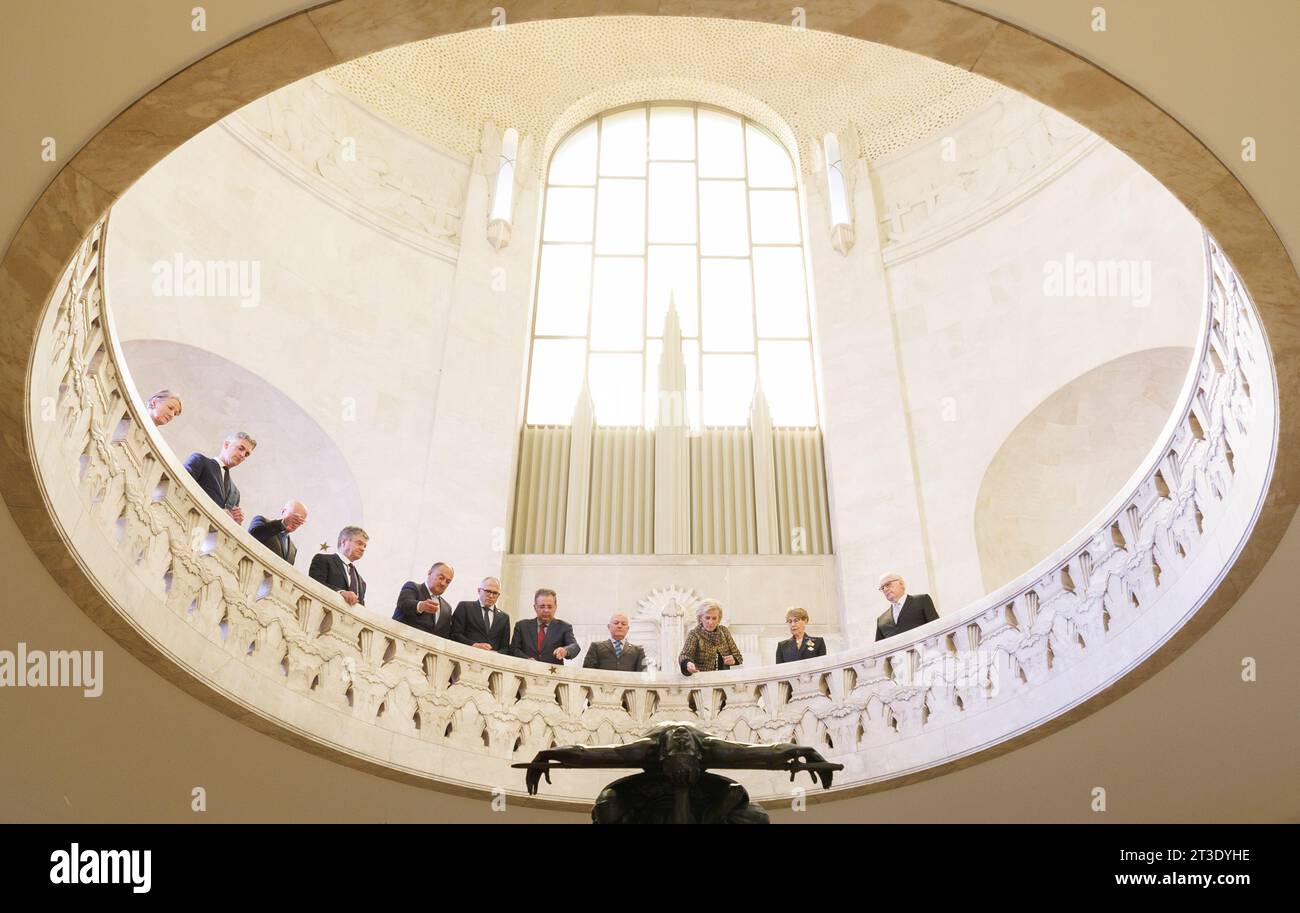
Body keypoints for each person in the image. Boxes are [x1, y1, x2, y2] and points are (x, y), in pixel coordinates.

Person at [183, 432, 255, 523]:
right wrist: (217, 512)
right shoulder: (200, 460)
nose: (242, 455)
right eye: (241, 448)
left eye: (247, 454)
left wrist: (235, 522)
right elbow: (182, 489)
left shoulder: (236, 493)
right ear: (226, 445)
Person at [510, 589, 579, 665]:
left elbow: (575, 646)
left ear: (555, 607)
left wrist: (565, 650)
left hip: (551, 674)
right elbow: (514, 649)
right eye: (542, 606)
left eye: (549, 607)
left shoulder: (564, 627)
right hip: (526, 672)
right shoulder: (522, 626)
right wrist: (526, 660)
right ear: (535, 607)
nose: (546, 610)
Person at [308, 526, 369, 607]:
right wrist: (340, 592)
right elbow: (314, 584)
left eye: (365, 546)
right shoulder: (323, 560)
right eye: (359, 543)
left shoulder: (362, 582)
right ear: (344, 542)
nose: (363, 549)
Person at [393, 562, 456, 639]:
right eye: (441, 577)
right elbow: (404, 604)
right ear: (429, 573)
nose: (443, 583)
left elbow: (445, 635)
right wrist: (420, 606)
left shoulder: (447, 608)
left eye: (448, 582)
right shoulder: (413, 587)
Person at [679, 599, 742, 675]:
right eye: (707, 618)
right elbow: (684, 655)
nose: (711, 622)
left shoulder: (724, 631)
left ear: (719, 619)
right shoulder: (694, 634)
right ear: (700, 618)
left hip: (724, 680)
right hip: (703, 682)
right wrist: (688, 664)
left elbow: (738, 656)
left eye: (714, 618)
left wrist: (734, 659)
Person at [449, 576, 510, 652]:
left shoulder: (504, 617)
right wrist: (473, 645)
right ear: (479, 590)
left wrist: (496, 653)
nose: (491, 596)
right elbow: (455, 634)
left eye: (495, 593)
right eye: (488, 591)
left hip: (490, 661)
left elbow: (505, 647)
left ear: (498, 595)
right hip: (466, 655)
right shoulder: (465, 607)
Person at [874, 573, 939, 641]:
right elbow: (879, 647)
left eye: (888, 584)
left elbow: (937, 628)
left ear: (901, 584)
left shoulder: (922, 600)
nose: (885, 589)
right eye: (882, 588)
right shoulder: (881, 620)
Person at [248, 500, 307, 567]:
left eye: (300, 521)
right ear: (283, 511)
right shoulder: (262, 521)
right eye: (295, 517)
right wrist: (283, 523)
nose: (296, 522)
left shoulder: (293, 550)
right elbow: (251, 537)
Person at [582, 613, 648, 672]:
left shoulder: (638, 651)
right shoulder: (596, 647)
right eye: (616, 623)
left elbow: (642, 675)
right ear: (609, 626)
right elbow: (587, 672)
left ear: (628, 629)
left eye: (623, 624)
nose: (619, 626)